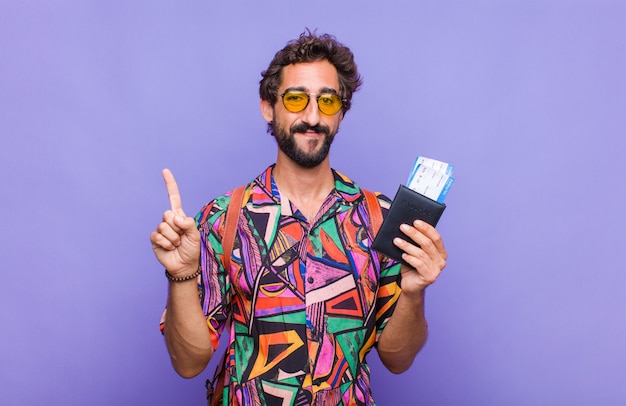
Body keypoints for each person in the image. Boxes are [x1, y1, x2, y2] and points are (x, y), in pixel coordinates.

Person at [150, 30, 447, 405]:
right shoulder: (223, 220)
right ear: (268, 106)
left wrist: (414, 291)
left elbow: (398, 359)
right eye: (295, 98)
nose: (312, 117)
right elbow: (189, 363)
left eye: (327, 102)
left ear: (341, 111)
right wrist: (181, 275)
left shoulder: (379, 219)